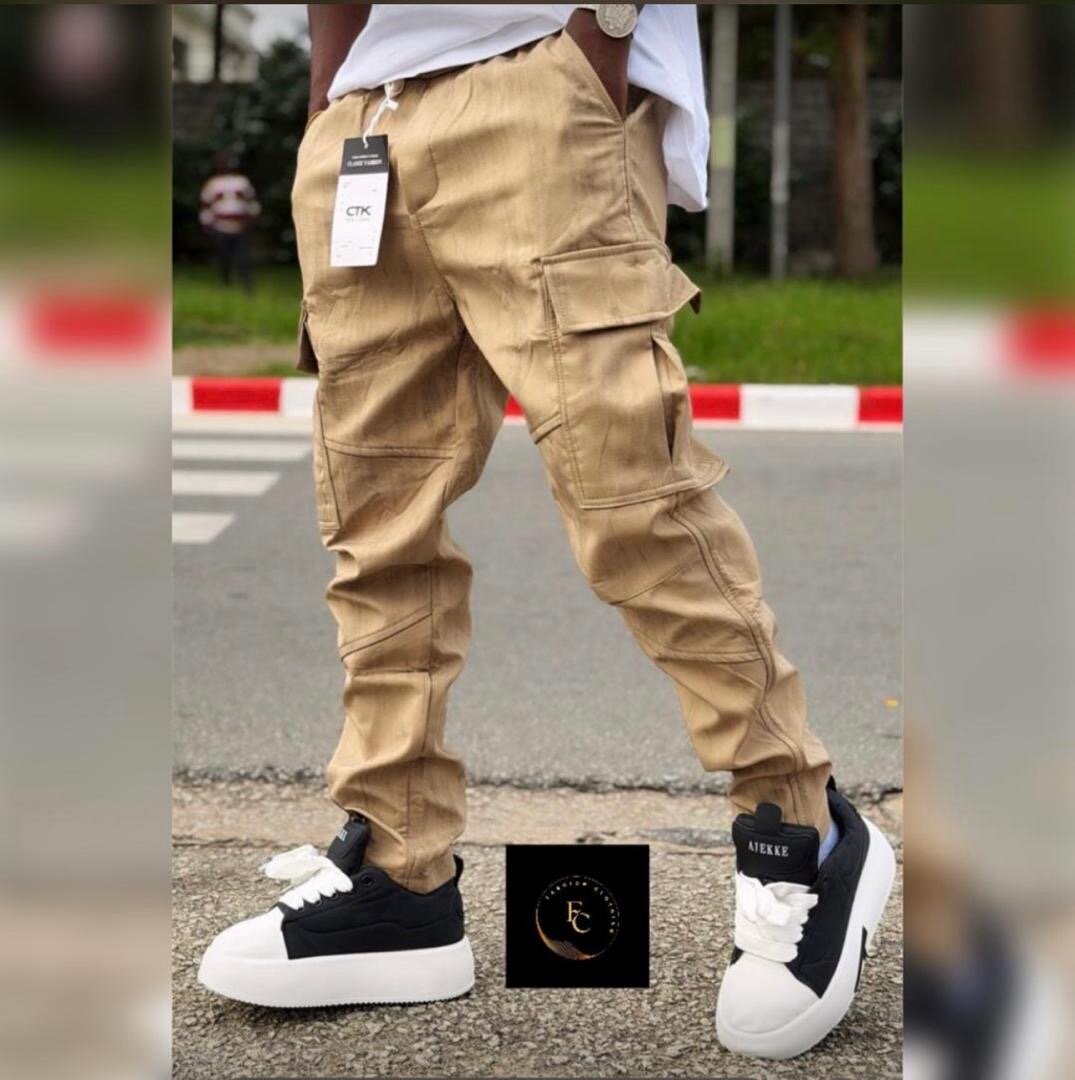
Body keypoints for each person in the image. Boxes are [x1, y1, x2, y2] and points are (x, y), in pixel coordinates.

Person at [198, 4, 895, 1060]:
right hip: (365, 125)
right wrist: (330, 106)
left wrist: (595, 44)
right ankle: (398, 879)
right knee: (377, 532)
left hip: (539, 79)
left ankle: (800, 826)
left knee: (632, 501)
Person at [199, 150, 259, 292]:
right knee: (223, 258)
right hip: (220, 227)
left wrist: (251, 218)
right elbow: (206, 205)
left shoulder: (242, 182)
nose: (224, 164)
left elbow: (252, 202)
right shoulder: (212, 183)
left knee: (243, 258)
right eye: (221, 162)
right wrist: (206, 223)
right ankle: (224, 284)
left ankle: (247, 287)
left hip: (240, 227)